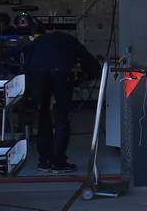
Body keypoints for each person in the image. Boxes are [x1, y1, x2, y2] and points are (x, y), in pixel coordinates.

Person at [19, 28, 99, 173]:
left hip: (38, 74)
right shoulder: (70, 41)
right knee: (62, 116)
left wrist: (28, 89)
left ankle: (44, 161)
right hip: (61, 72)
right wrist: (93, 73)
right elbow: (88, 60)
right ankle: (59, 162)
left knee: (43, 116)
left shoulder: (39, 41)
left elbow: (27, 65)